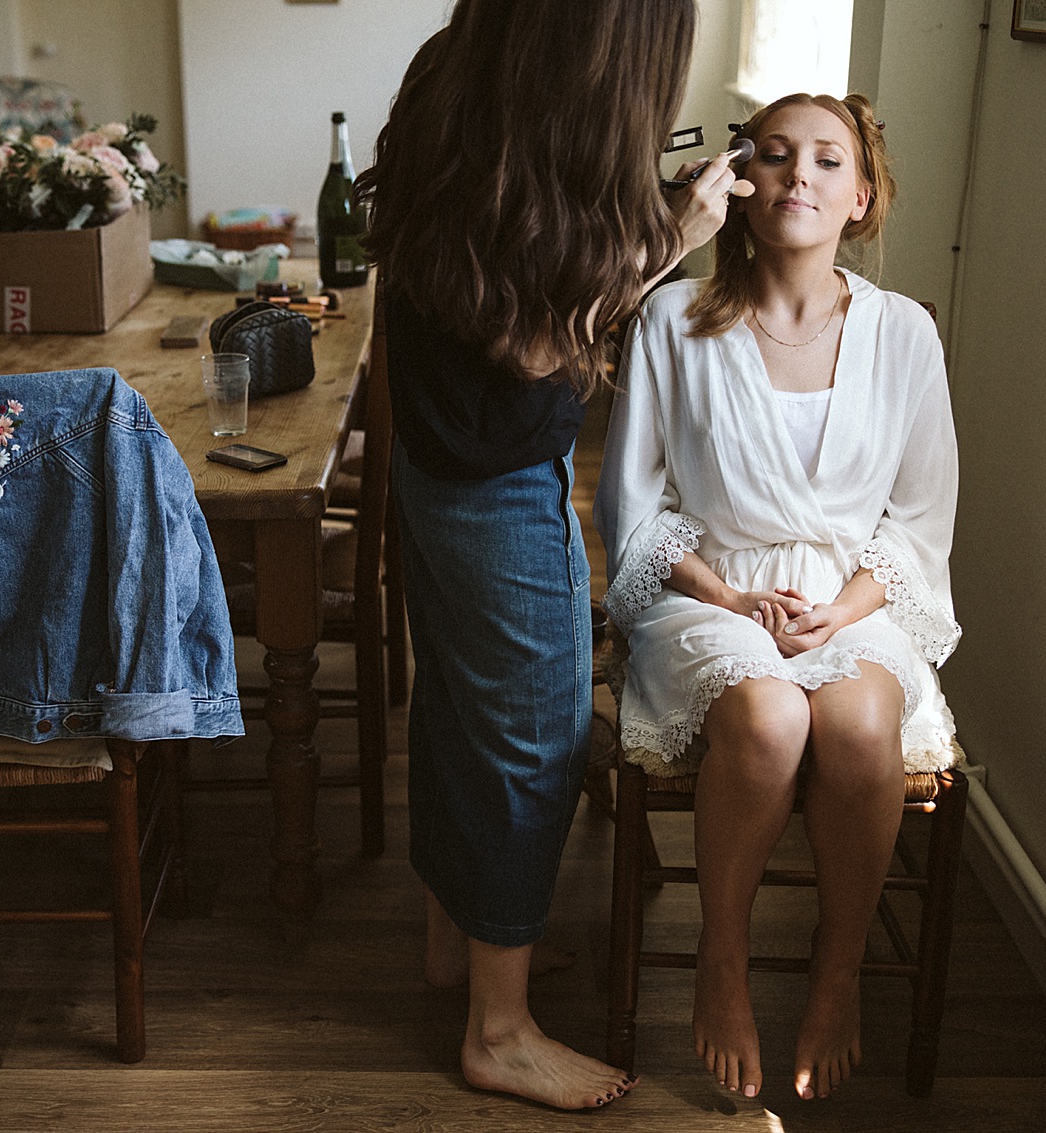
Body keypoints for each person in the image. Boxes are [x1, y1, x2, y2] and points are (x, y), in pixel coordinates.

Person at [355, 0, 750, 1111]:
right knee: (532, 730)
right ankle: (499, 1024)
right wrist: (672, 235)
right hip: (489, 475)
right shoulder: (539, 129)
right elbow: (532, 342)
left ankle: (460, 940)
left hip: (434, 458)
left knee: (458, 709)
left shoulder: (457, 70)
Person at [595, 92, 963, 1102]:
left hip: (850, 598)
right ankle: (722, 959)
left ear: (862, 196)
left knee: (850, 725)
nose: (799, 172)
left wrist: (840, 612)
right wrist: (726, 594)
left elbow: (918, 520)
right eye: (775, 154)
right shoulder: (672, 317)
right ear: (743, 186)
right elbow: (632, 505)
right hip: (705, 594)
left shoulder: (902, 336)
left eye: (827, 159)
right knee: (763, 719)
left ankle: (834, 973)